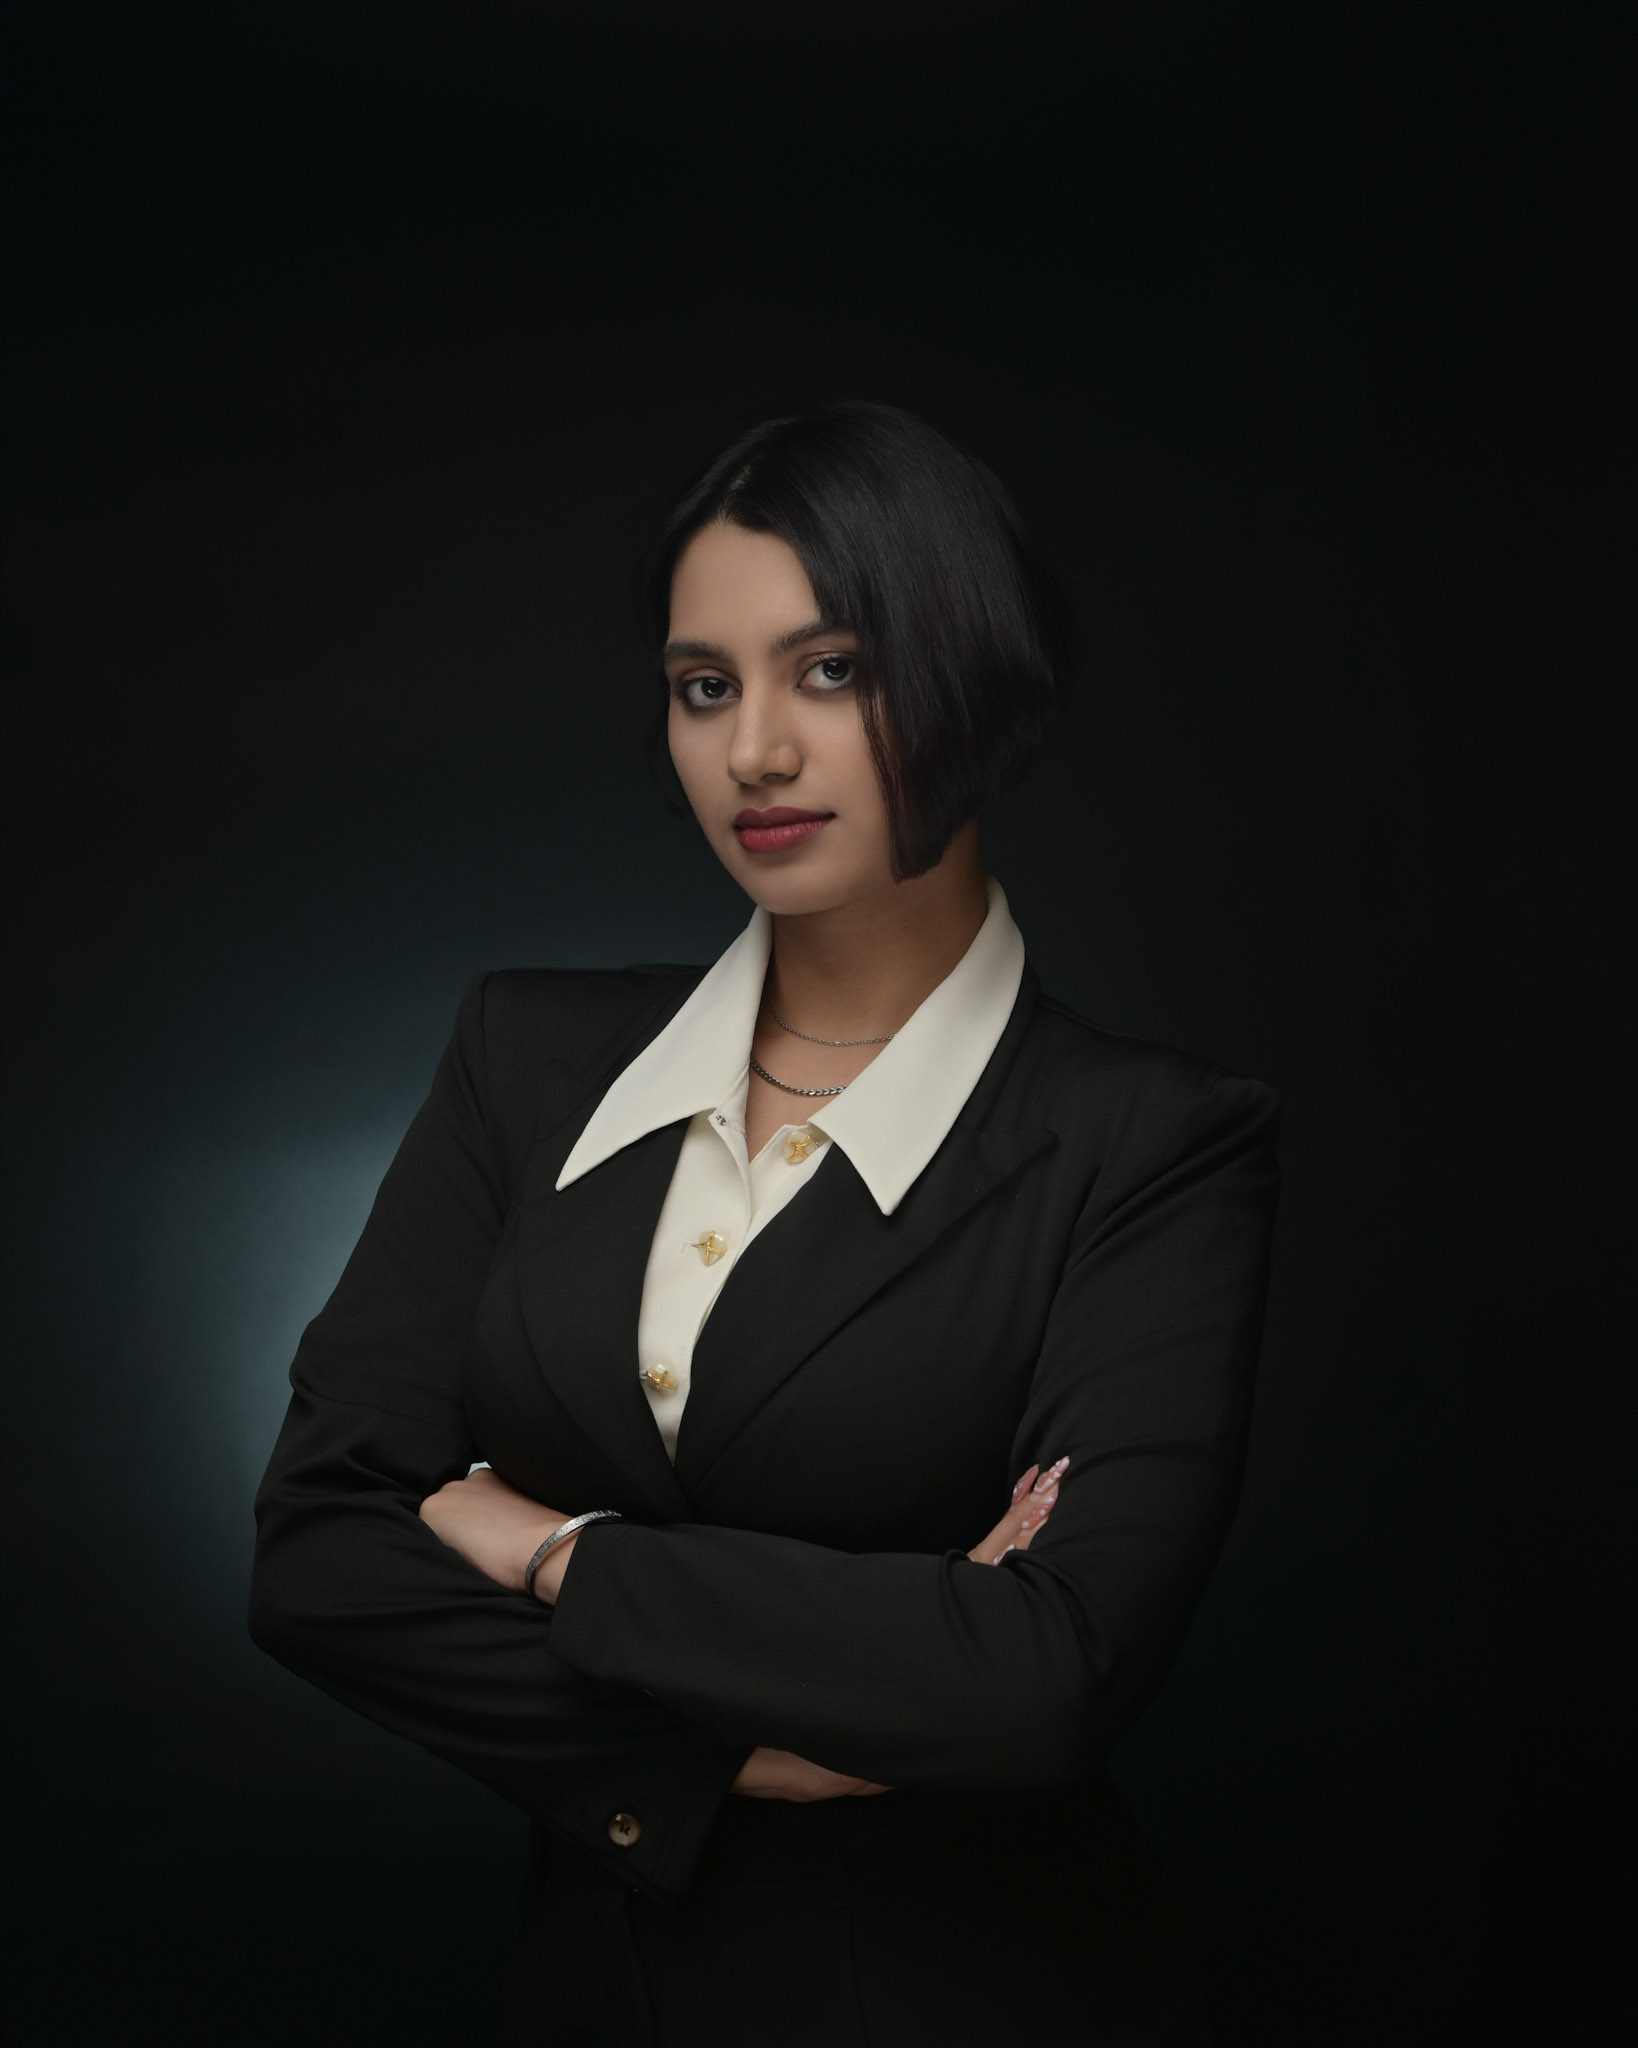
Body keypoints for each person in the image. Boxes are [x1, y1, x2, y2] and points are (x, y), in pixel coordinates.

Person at [249, 401, 1281, 2046]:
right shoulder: (529, 1055)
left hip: (980, 1998)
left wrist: (544, 1547)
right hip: (584, 1994)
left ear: (971, 673)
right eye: (702, 687)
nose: (755, 754)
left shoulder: (1147, 1140)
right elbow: (315, 1552)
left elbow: (1043, 1674)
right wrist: (717, 1759)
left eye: (831, 669)